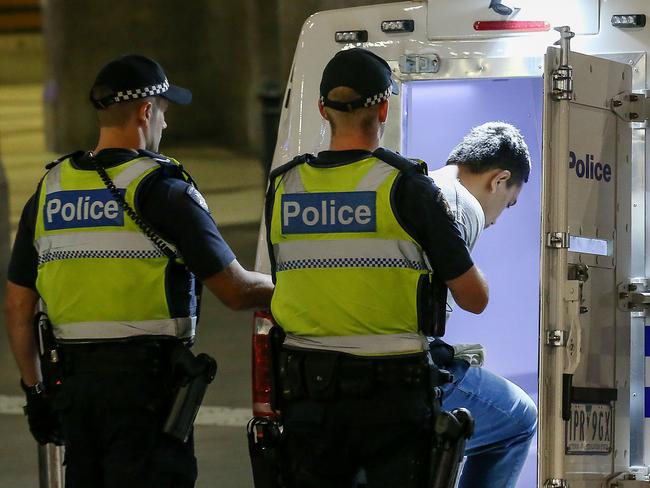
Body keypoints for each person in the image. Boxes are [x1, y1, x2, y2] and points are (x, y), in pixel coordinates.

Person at [4, 54, 274, 488]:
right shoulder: (163, 189)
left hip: (75, 390)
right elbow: (235, 290)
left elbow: (17, 305)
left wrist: (37, 393)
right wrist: (299, 291)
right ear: (147, 111)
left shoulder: (51, 190)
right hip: (146, 397)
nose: (164, 124)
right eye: (164, 112)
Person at [264, 47, 489, 488]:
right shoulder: (407, 187)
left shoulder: (284, 186)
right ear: (384, 107)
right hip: (392, 395)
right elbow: (474, 298)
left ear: (322, 109)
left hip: (307, 390)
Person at [429, 122, 538, 488]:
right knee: (520, 418)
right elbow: (475, 298)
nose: (496, 219)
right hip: (406, 375)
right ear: (498, 179)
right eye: (507, 204)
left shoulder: (419, 184)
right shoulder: (462, 204)